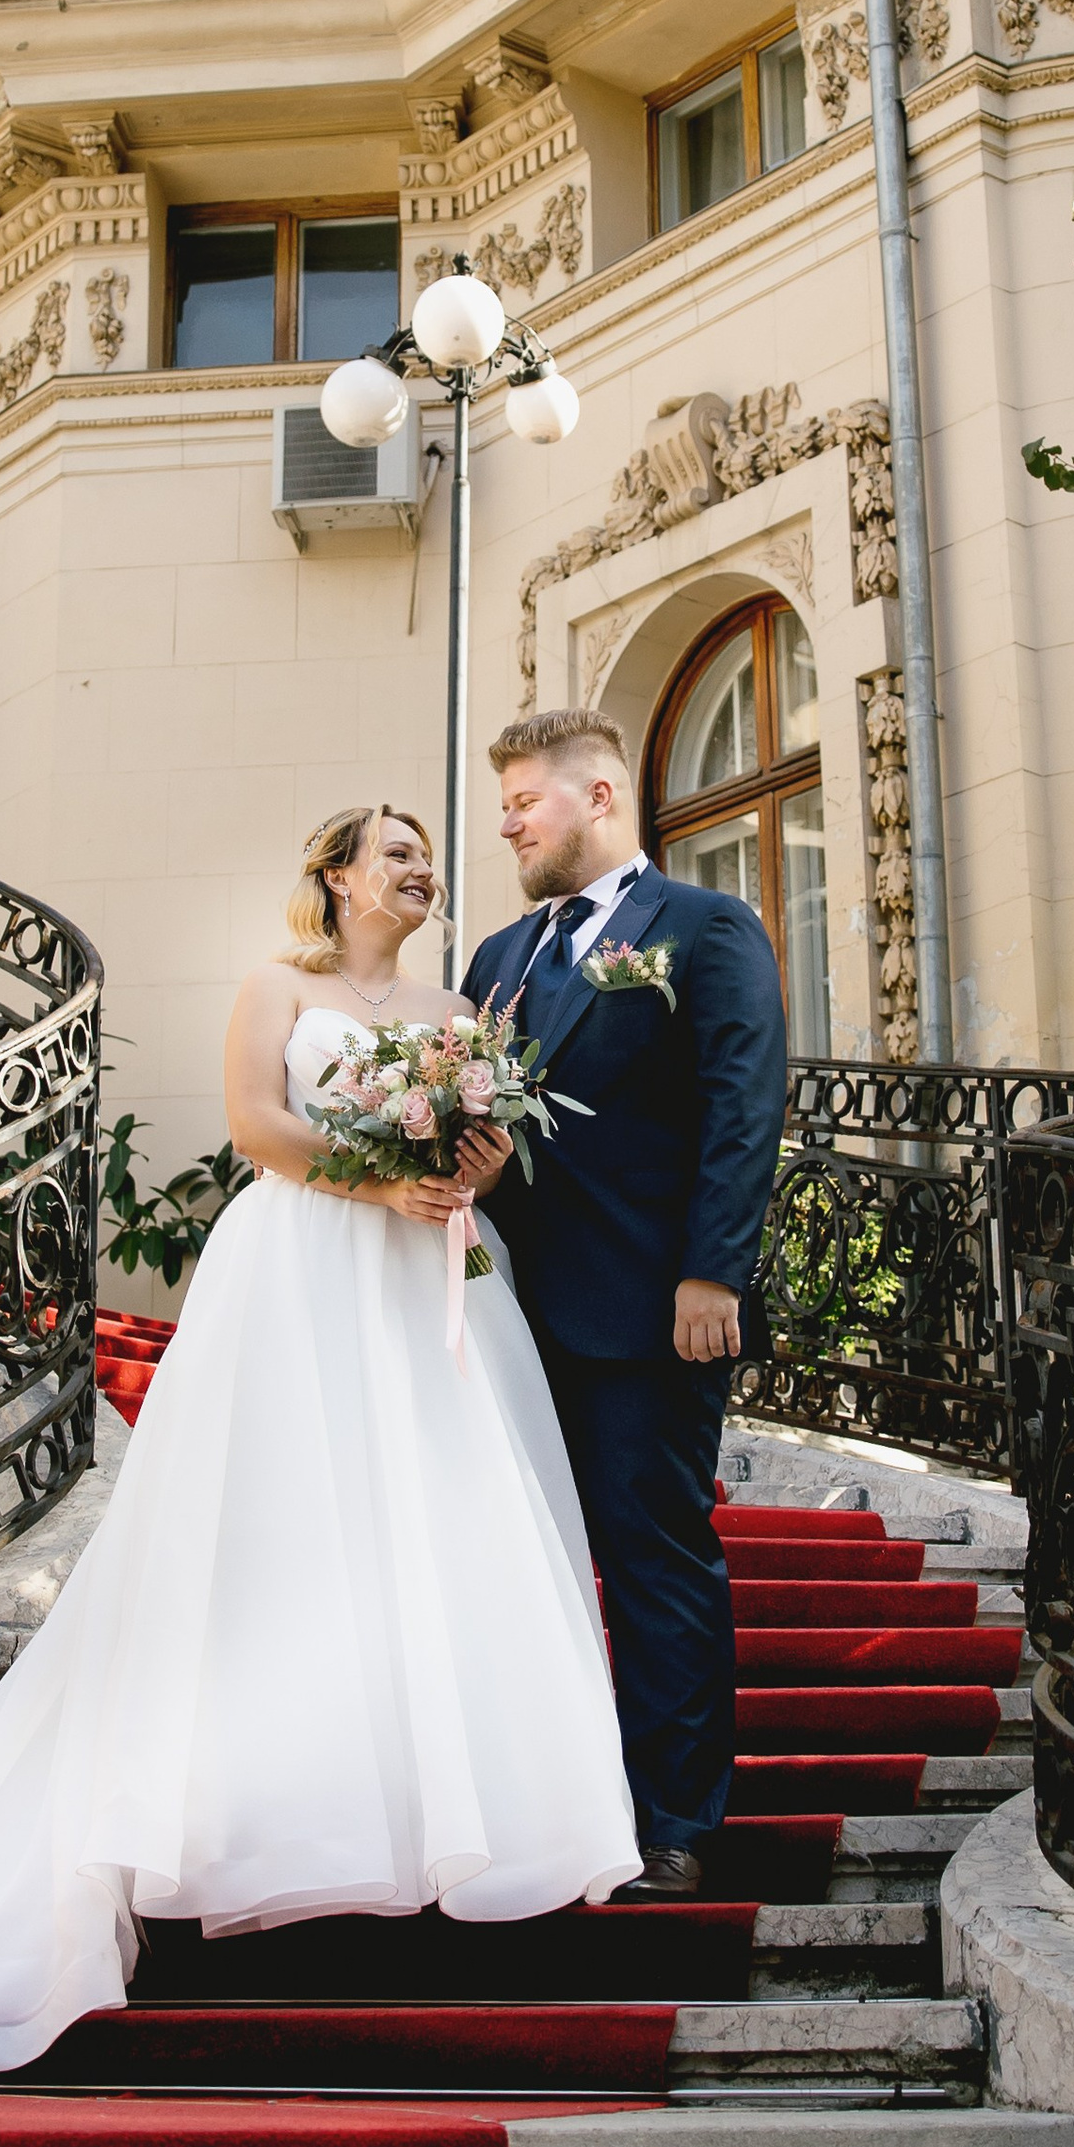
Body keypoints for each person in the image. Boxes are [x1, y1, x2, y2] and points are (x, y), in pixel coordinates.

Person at [0, 799, 639, 2087]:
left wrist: (468, 1169)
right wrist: (375, 1181)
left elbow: (491, 1144)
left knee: (438, 1534)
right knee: (279, 1535)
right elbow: (256, 1129)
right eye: (394, 854)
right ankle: (260, 1828)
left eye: (425, 858)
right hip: (300, 1273)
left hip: (428, 1283)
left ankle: (435, 1829)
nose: (419, 870)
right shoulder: (274, 988)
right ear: (337, 875)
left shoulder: (459, 1019)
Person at [460, 707, 788, 1899]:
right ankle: (541, 1807)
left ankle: (671, 1824)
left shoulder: (704, 927)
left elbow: (741, 1107)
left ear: (598, 796)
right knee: (516, 1562)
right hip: (503, 1317)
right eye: (501, 804)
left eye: (522, 802)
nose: (505, 823)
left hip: (649, 1307)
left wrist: (715, 1270)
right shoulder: (495, 962)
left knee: (650, 1560)